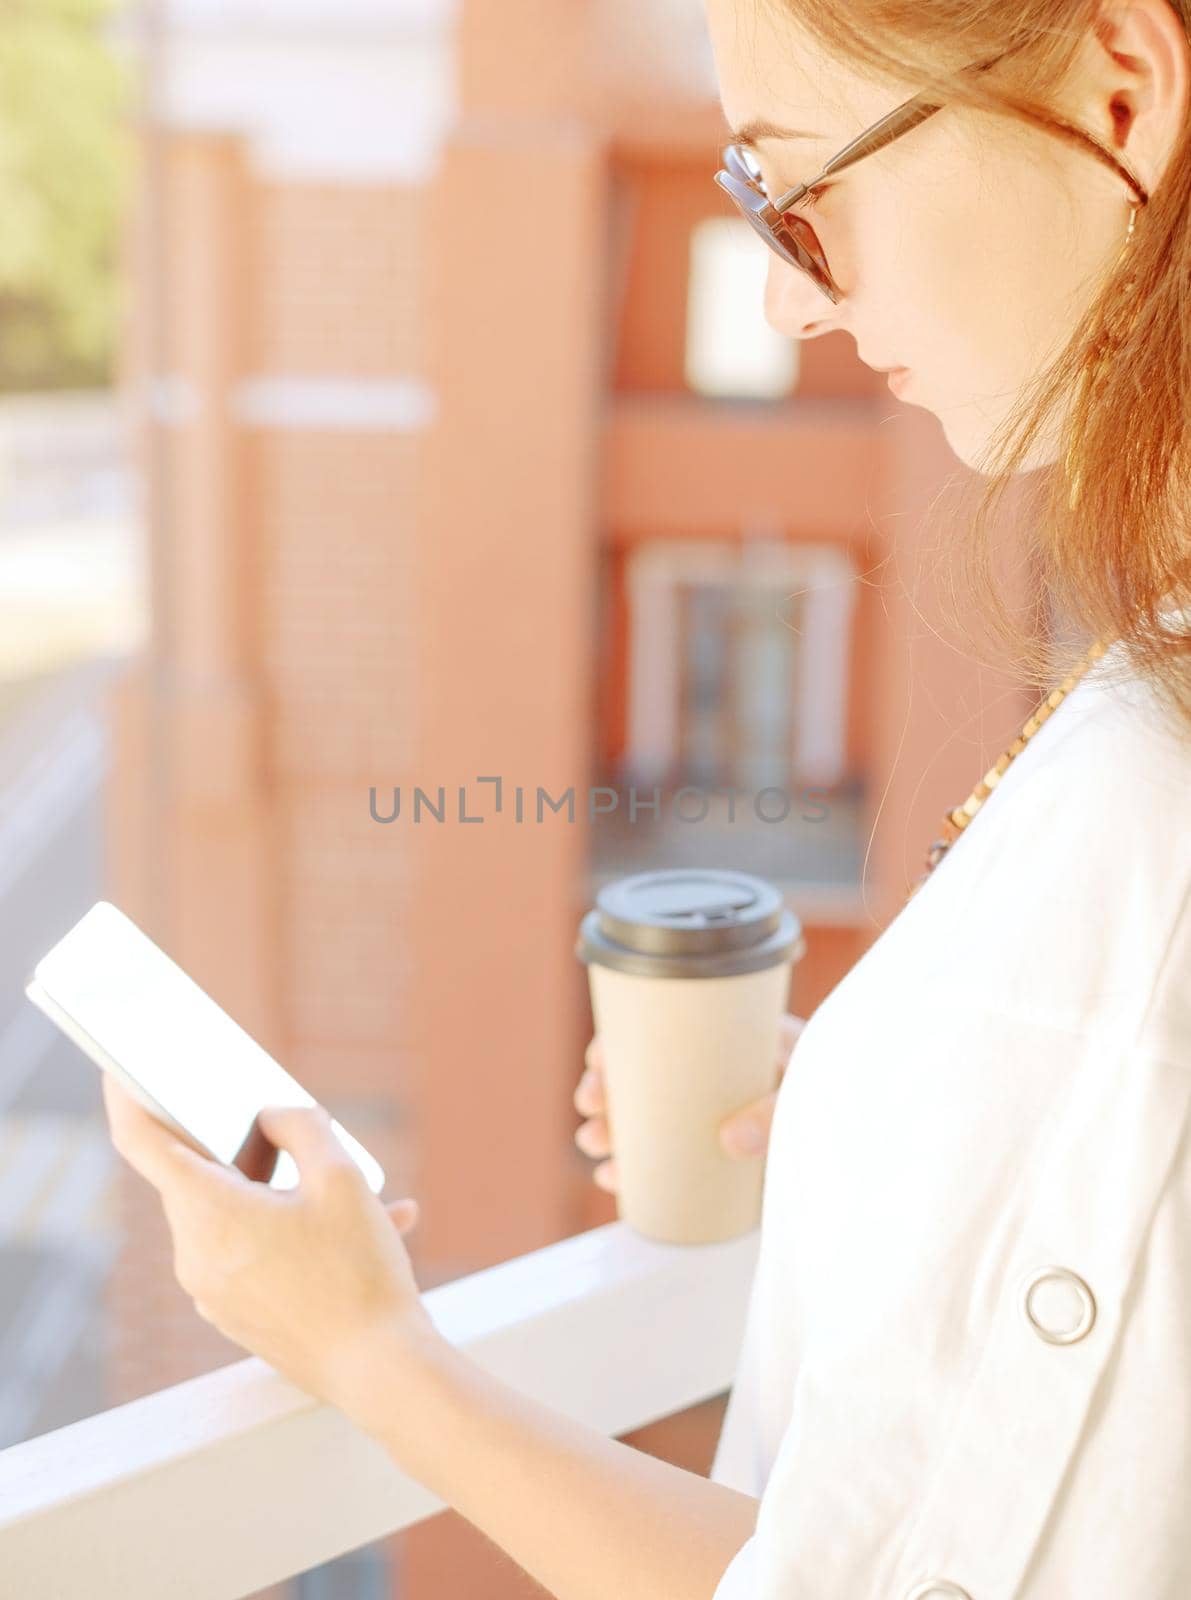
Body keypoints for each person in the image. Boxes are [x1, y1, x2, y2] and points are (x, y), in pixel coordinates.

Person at [103, 1, 1191, 1596]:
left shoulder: (1146, 821)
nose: (785, 295)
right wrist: (879, 1114)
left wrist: (366, 1347)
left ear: (1119, 96)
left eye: (802, 196)